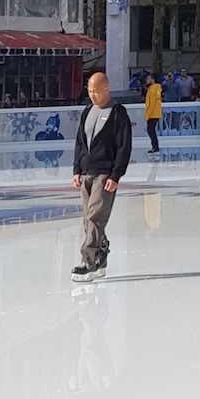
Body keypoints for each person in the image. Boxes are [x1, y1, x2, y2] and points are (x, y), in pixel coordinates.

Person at [71, 67, 132, 278]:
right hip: (87, 171)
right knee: (87, 219)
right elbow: (80, 142)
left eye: (96, 91)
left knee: (96, 216)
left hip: (105, 173)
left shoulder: (118, 113)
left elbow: (124, 146)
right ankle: (101, 250)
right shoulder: (87, 112)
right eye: (89, 91)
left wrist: (116, 175)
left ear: (107, 89)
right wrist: (77, 169)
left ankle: (88, 260)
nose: (92, 95)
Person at [143, 73, 163, 153]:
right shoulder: (156, 88)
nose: (147, 80)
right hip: (155, 113)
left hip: (153, 113)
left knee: (150, 130)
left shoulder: (153, 89)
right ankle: (155, 146)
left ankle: (155, 146)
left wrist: (148, 115)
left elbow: (152, 103)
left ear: (152, 79)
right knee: (151, 130)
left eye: (148, 78)